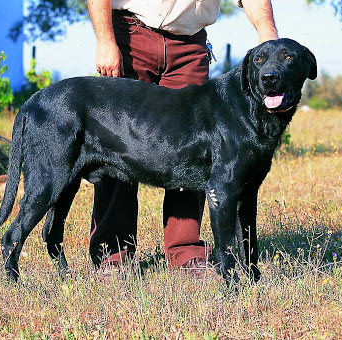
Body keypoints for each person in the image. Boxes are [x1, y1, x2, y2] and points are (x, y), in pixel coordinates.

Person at [86, 0, 279, 275]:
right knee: (118, 147)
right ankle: (113, 255)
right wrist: (106, 41)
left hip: (189, 47)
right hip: (130, 36)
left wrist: (268, 35)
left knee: (196, 150)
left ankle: (186, 252)